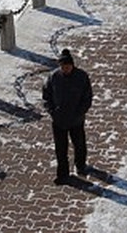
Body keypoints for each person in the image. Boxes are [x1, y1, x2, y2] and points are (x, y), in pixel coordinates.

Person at [43, 48, 94, 183]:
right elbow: (46, 96)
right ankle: (63, 174)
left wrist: (79, 113)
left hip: (76, 119)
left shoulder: (82, 77)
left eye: (68, 66)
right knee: (61, 149)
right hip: (59, 120)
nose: (65, 69)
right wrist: (52, 112)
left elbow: (87, 98)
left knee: (79, 144)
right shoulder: (54, 77)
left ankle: (81, 166)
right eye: (63, 67)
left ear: (72, 65)